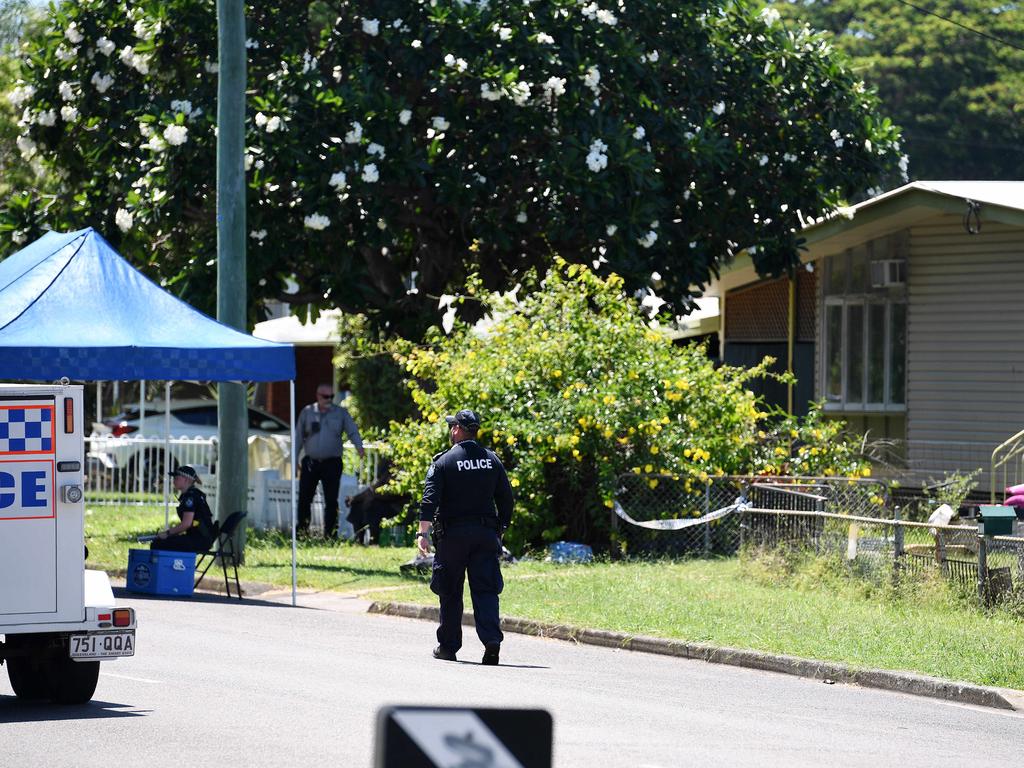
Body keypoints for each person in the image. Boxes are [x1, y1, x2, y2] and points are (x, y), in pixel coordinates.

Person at [418, 409, 514, 665]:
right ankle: (491, 643)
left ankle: (448, 647)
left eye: (453, 427)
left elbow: (429, 500)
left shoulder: (444, 461)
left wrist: (422, 532)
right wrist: (501, 528)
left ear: (458, 430)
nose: (451, 431)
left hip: (453, 537)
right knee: (486, 590)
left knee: (450, 590)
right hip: (485, 535)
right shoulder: (492, 460)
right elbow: (506, 498)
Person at [297, 384, 365, 538]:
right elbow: (299, 436)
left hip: (332, 462)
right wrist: (294, 458)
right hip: (311, 462)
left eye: (331, 397)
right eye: (326, 397)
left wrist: (359, 447)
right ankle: (302, 532)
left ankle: (330, 534)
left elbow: (352, 430)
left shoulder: (340, 413)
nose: (329, 400)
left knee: (331, 500)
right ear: (318, 395)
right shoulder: (307, 412)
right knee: (304, 499)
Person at [152, 465, 216, 552]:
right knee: (164, 541)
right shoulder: (194, 494)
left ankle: (172, 566)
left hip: (200, 540)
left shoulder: (190, 498)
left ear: (186, 480)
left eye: (177, 478)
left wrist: (167, 533)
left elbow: (186, 524)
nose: (174, 480)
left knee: (158, 544)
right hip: (203, 538)